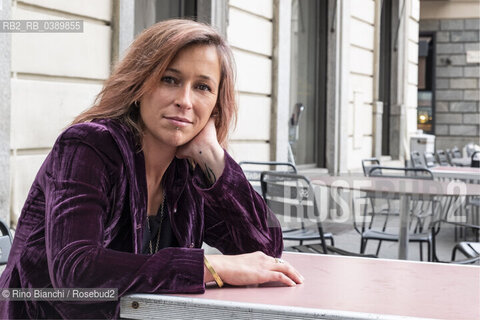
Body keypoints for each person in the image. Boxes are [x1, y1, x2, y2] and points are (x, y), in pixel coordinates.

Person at [0, 19, 303, 319]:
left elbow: (265, 249)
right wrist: (209, 267)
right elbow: (76, 270)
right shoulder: (89, 146)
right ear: (140, 83)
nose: (184, 101)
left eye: (202, 87)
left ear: (216, 105)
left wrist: (215, 158)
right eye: (169, 79)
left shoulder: (190, 170)